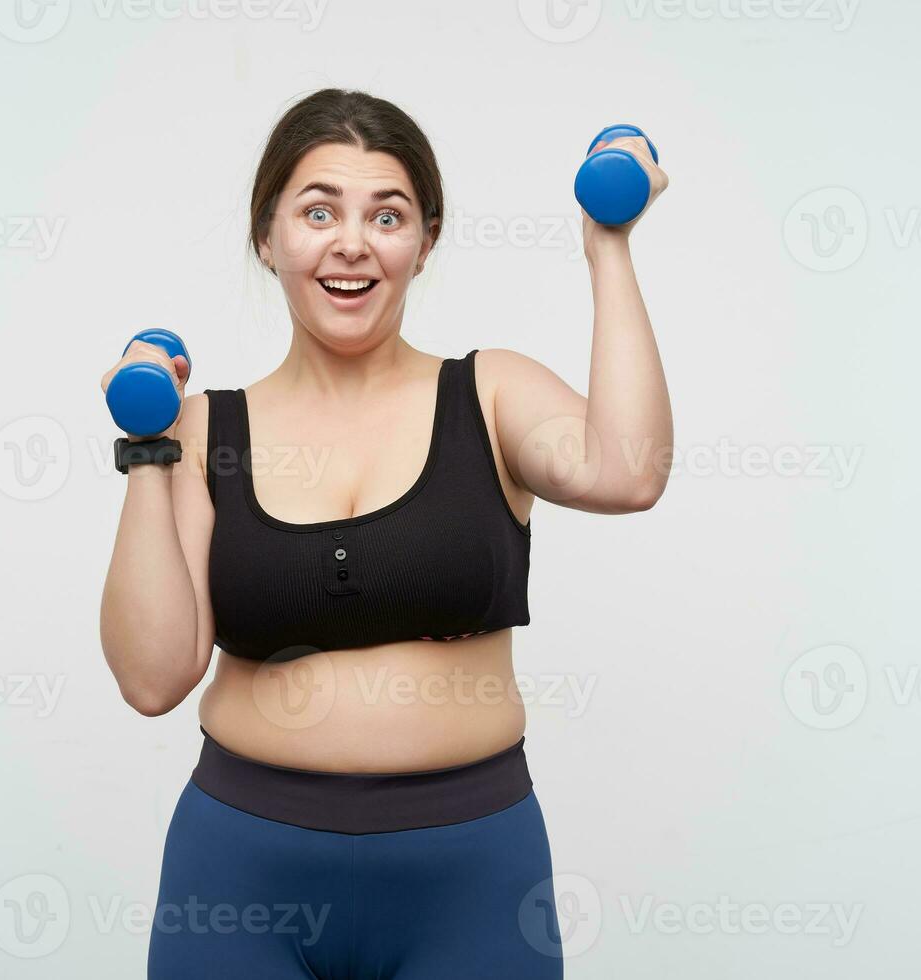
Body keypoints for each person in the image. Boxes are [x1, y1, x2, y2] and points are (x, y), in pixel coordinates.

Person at [98, 87, 671, 979]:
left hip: (470, 875)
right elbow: (152, 676)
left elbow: (628, 473)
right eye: (318, 210)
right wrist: (147, 448)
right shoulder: (202, 431)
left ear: (424, 243)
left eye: (388, 215)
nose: (352, 242)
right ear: (267, 237)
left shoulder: (491, 395)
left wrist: (608, 245)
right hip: (240, 872)